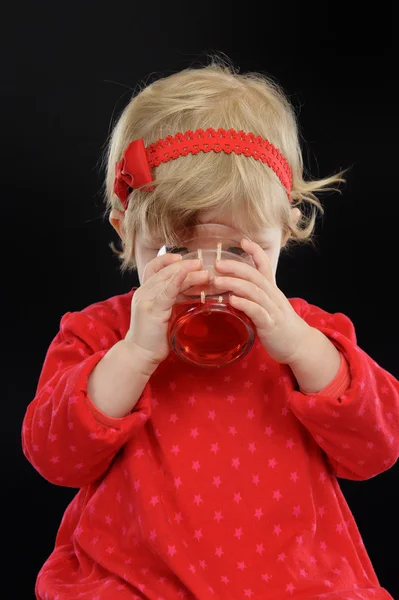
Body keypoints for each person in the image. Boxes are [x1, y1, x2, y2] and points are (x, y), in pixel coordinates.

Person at [22, 57, 399, 600]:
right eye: (172, 252)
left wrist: (301, 349)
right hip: (134, 579)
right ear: (125, 233)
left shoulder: (309, 334)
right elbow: (55, 459)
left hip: (294, 583)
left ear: (286, 230)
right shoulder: (99, 333)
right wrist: (133, 354)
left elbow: (377, 450)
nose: (206, 276)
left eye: (242, 253)